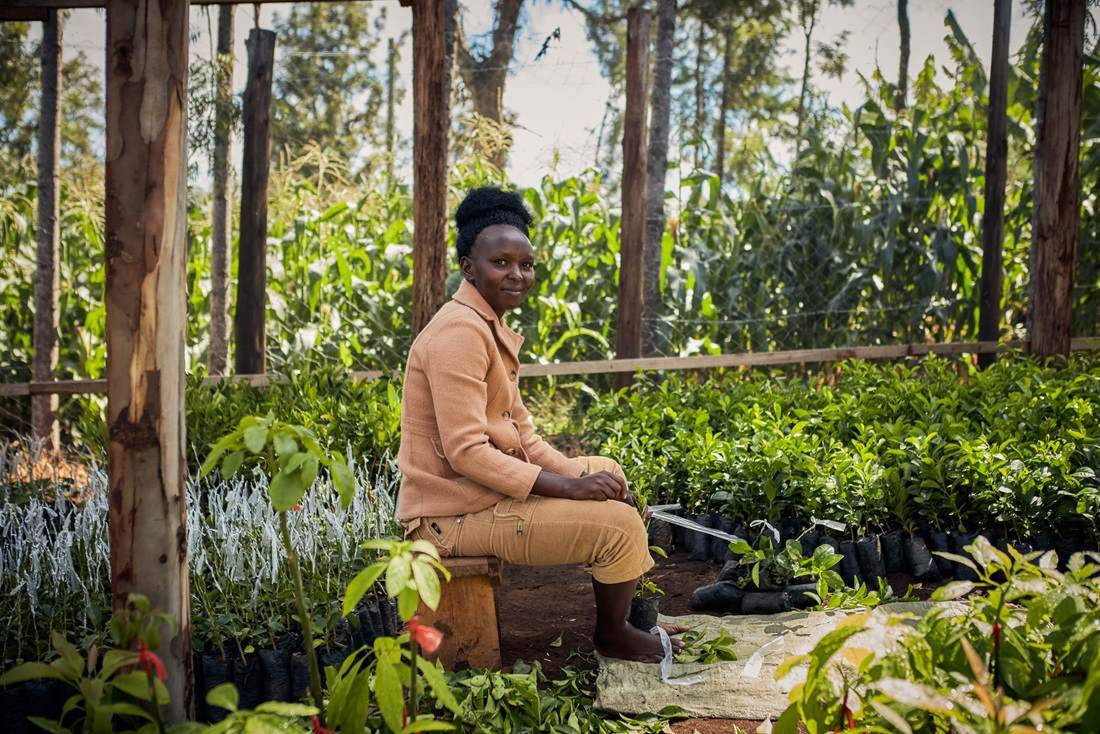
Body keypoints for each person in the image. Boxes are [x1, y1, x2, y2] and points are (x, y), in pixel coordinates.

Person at [396, 186, 683, 662]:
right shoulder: (459, 333)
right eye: (501, 263)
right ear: (469, 268)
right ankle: (612, 634)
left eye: (525, 264)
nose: (517, 274)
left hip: (478, 498)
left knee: (605, 470)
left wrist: (583, 478)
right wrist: (568, 488)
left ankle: (625, 613)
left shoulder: (486, 325)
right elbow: (466, 451)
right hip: (449, 518)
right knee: (616, 526)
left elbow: (522, 435)